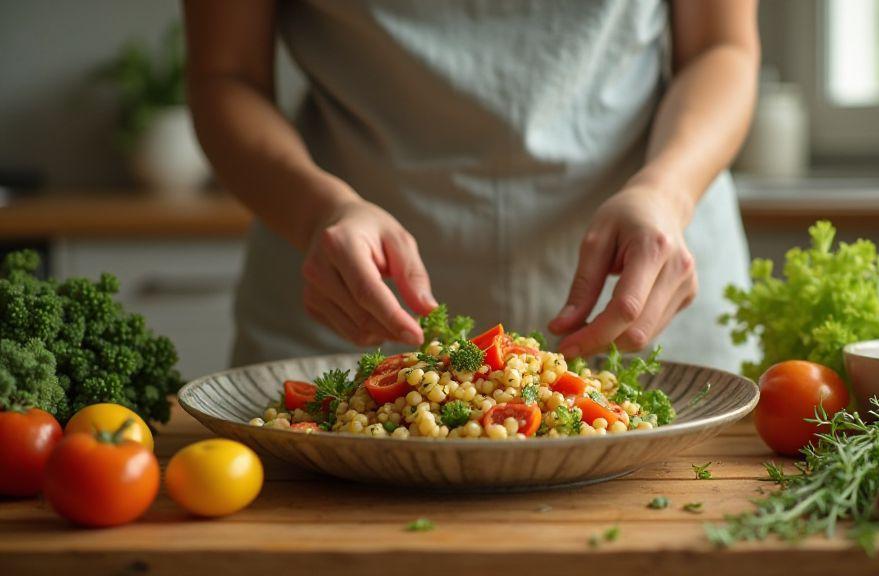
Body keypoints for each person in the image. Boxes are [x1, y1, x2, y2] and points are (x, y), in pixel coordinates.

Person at [183, 0, 760, 371]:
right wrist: (319, 211)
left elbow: (722, 47)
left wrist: (666, 191)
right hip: (341, 300)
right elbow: (224, 76)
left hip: (645, 284)